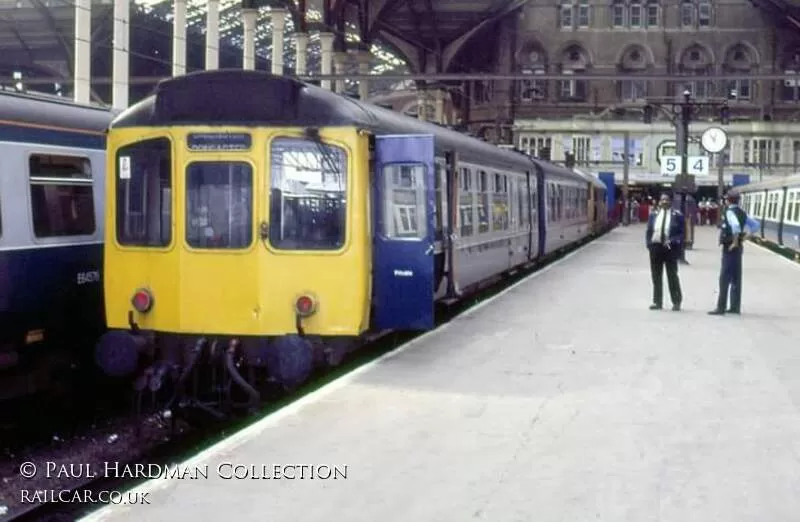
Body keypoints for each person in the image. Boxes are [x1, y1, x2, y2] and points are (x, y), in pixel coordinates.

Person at [708, 193, 759, 316]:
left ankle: (721, 308)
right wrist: (745, 237)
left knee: (724, 278)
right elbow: (756, 225)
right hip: (738, 249)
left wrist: (735, 242)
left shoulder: (729, 212)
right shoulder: (742, 212)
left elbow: (735, 226)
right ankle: (735, 307)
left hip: (730, 248)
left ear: (728, 201)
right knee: (736, 277)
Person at [646, 192, 684, 311]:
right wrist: (649, 244)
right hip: (655, 247)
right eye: (662, 200)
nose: (664, 202)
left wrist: (673, 241)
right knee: (656, 276)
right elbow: (649, 230)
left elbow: (681, 233)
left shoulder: (677, 215)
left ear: (671, 202)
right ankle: (657, 301)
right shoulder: (654, 214)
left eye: (666, 200)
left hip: (670, 248)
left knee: (672, 275)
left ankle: (676, 301)